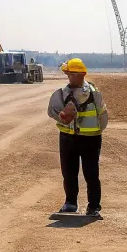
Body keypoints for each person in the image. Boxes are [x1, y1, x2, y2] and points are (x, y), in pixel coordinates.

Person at [46, 57, 108, 217]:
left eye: (69, 73)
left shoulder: (94, 93)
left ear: (78, 75)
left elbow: (102, 116)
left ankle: (93, 206)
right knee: (69, 172)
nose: (67, 76)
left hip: (90, 139)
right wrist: (63, 117)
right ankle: (70, 203)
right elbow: (52, 111)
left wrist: (95, 131)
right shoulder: (63, 93)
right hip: (68, 137)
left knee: (91, 173)